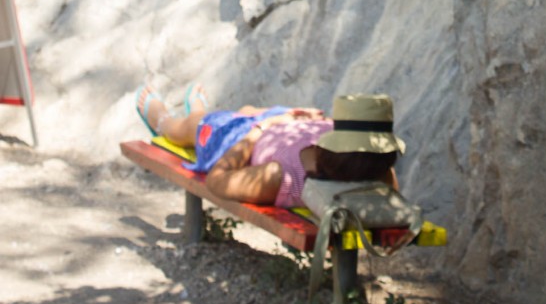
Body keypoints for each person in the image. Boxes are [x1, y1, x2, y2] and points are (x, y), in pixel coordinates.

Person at [135, 85, 404, 208]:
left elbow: (218, 181)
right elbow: (387, 179)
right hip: (284, 126)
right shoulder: (372, 167)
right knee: (248, 110)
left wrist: (260, 130)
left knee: (198, 126)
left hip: (241, 138)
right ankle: (218, 112)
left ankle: (164, 119)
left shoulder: (282, 176)